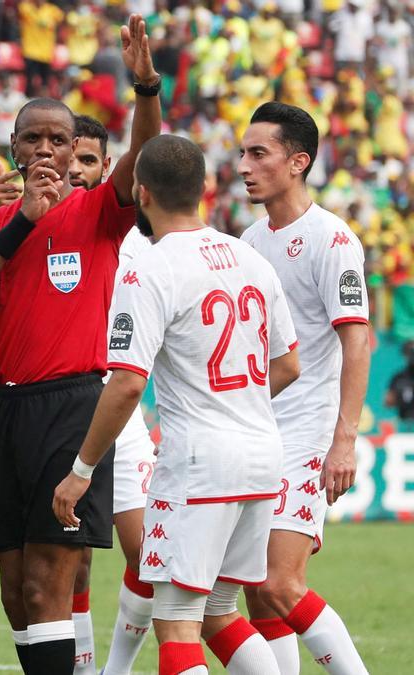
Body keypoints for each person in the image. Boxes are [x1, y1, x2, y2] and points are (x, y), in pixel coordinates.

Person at [0, 15, 160, 674]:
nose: (45, 148)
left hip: (70, 406)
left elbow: (143, 154)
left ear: (73, 150)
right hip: (4, 413)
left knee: (48, 585)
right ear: (13, 148)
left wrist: (145, 84)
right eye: (32, 137)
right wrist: (21, 224)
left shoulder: (97, 213)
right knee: (16, 593)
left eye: (57, 138)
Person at [53, 134, 301, 675]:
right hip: (262, 454)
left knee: (177, 618)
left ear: (140, 193)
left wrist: (81, 470)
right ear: (205, 189)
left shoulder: (148, 268)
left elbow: (124, 384)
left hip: (200, 463)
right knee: (219, 610)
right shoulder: (248, 256)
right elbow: (289, 364)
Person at [238, 102, 371, 675]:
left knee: (280, 583)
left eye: (258, 153)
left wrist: (344, 440)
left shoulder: (331, 239)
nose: (243, 164)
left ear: (297, 162)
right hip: (255, 432)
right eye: (243, 152)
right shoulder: (248, 238)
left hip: (305, 434)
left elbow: (357, 341)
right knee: (255, 589)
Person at [66, 115, 158, 675]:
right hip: (62, 404)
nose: (74, 170)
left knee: (148, 556)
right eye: (67, 158)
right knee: (71, 565)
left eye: (87, 161)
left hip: (123, 414)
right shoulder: (29, 226)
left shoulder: (137, 245)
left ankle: (115, 670)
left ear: (109, 168)